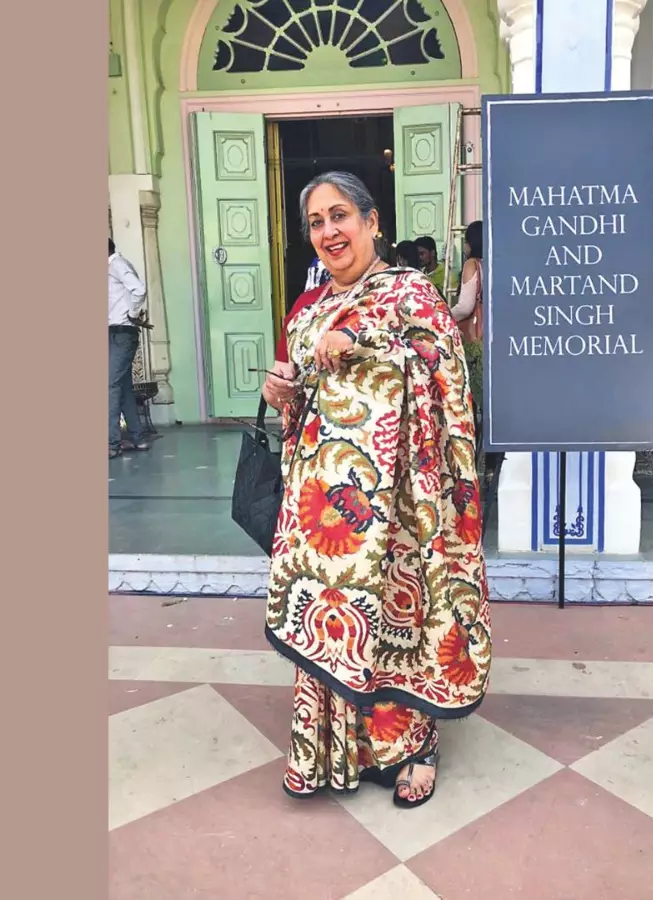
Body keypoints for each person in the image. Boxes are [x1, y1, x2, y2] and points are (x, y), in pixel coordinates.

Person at [260, 171, 490, 809]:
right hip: (326, 513)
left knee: (397, 618)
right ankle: (337, 749)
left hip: (402, 505)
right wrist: (279, 390)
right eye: (316, 222)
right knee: (336, 621)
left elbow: (446, 374)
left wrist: (364, 340)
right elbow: (291, 385)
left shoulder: (411, 293)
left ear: (372, 222)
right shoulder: (308, 307)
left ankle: (412, 747)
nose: (329, 231)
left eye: (340, 216)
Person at [108, 237, 152, 459]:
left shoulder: (117, 264)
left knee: (110, 385)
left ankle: (111, 443)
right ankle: (138, 437)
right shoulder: (113, 267)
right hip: (115, 332)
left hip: (122, 332)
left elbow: (139, 290)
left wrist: (133, 314)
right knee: (122, 386)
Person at [451, 220, 485, 431]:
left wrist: (445, 315)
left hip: (476, 337)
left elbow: (465, 306)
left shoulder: (472, 264)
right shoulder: (497, 261)